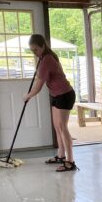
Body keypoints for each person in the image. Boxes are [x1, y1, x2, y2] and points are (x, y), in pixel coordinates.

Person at [24, 34, 78, 172]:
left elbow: (39, 85)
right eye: (32, 51)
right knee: (57, 127)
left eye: (36, 50)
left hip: (64, 95)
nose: (34, 53)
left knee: (63, 127)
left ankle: (70, 161)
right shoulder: (43, 57)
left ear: (43, 46)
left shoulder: (47, 59)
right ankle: (61, 155)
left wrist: (28, 96)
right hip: (56, 95)